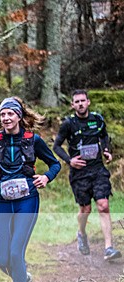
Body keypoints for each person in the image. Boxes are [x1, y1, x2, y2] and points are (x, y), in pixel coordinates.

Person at [0, 97, 61, 282]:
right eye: (2, 114)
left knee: (16, 254)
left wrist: (46, 177)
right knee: (1, 260)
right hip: (2, 202)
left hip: (27, 201)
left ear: (19, 116)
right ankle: (23, 277)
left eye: (10, 114)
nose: (6, 118)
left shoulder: (33, 140)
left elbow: (55, 164)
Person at [52, 90, 121, 261]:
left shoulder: (97, 119)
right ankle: (82, 233)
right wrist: (70, 161)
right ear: (73, 105)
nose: (81, 104)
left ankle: (109, 248)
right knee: (85, 209)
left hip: (97, 169)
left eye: (83, 101)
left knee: (103, 205)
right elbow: (57, 146)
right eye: (77, 101)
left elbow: (104, 136)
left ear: (88, 102)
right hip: (79, 173)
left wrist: (107, 151)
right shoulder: (68, 124)